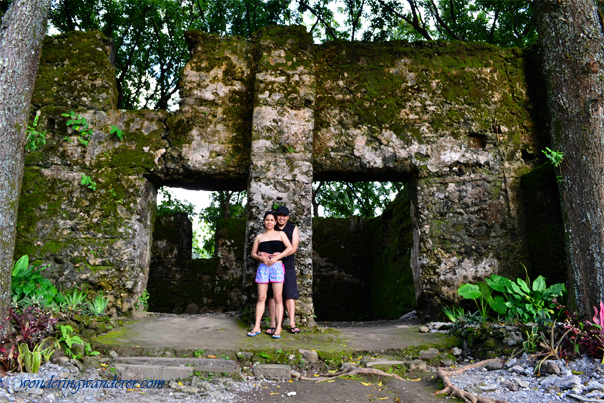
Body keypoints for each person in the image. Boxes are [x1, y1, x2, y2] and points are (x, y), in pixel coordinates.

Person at [247, 211, 292, 339]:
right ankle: (256, 327)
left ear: (275, 221)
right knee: (261, 298)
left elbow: (289, 248)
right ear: (264, 221)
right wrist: (261, 257)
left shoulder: (281, 234)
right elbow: (253, 254)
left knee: (278, 298)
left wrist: (278, 256)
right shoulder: (259, 237)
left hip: (277, 267)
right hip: (263, 268)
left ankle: (278, 328)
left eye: (272, 220)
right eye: (267, 220)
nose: (269, 222)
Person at [264, 206, 301, 335]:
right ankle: (273, 324)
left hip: (288, 264)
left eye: (284, 216)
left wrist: (278, 257)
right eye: (279, 215)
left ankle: (292, 323)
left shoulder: (292, 228)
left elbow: (293, 248)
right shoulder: (271, 228)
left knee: (290, 293)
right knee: (271, 295)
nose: (281, 218)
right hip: (271, 266)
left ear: (288, 217)